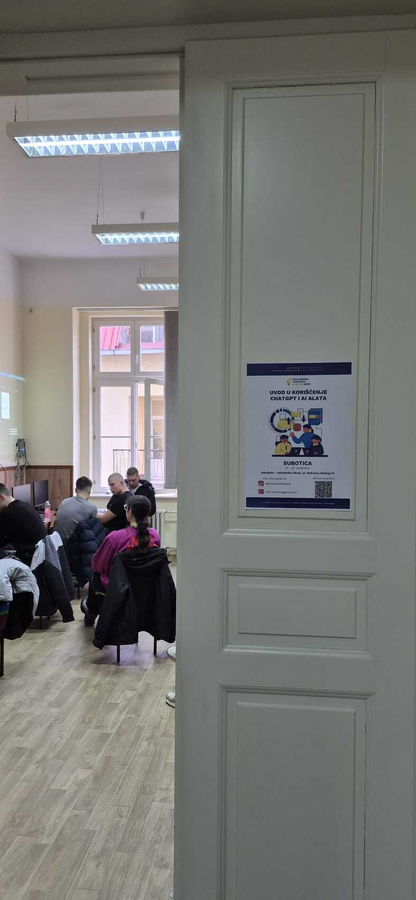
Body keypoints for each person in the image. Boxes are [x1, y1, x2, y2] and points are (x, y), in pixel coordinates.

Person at [82, 495, 160, 625]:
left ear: (129, 511)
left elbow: (97, 565)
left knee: (95, 575)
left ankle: (91, 613)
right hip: (145, 583)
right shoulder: (154, 535)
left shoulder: (115, 537)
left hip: (118, 585)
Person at [0, 483, 45, 565]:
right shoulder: (23, 505)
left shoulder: (9, 513)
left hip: (28, 560)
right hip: (39, 558)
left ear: (1, 498)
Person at [54, 476, 98, 542]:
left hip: (57, 542)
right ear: (89, 491)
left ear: (75, 490)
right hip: (73, 544)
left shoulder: (64, 502)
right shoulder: (92, 507)